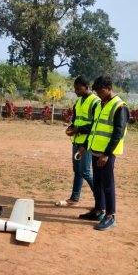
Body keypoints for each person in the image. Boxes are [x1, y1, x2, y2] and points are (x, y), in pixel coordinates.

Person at [77, 76, 129, 230]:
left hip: (107, 154)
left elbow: (117, 134)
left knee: (107, 185)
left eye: (101, 91)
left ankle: (110, 216)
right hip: (95, 151)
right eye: (97, 91)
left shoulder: (120, 106)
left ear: (108, 88)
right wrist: (85, 146)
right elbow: (95, 128)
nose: (98, 94)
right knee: (98, 183)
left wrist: (106, 154)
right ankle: (98, 210)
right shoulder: (101, 104)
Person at [55, 76, 100, 207]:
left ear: (87, 87)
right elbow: (75, 120)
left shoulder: (95, 102)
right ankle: (74, 198)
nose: (76, 91)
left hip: (87, 143)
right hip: (76, 141)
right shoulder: (79, 102)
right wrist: (71, 128)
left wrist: (78, 129)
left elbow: (95, 125)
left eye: (78, 89)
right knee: (77, 171)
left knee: (85, 171)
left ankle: (100, 200)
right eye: (75, 89)